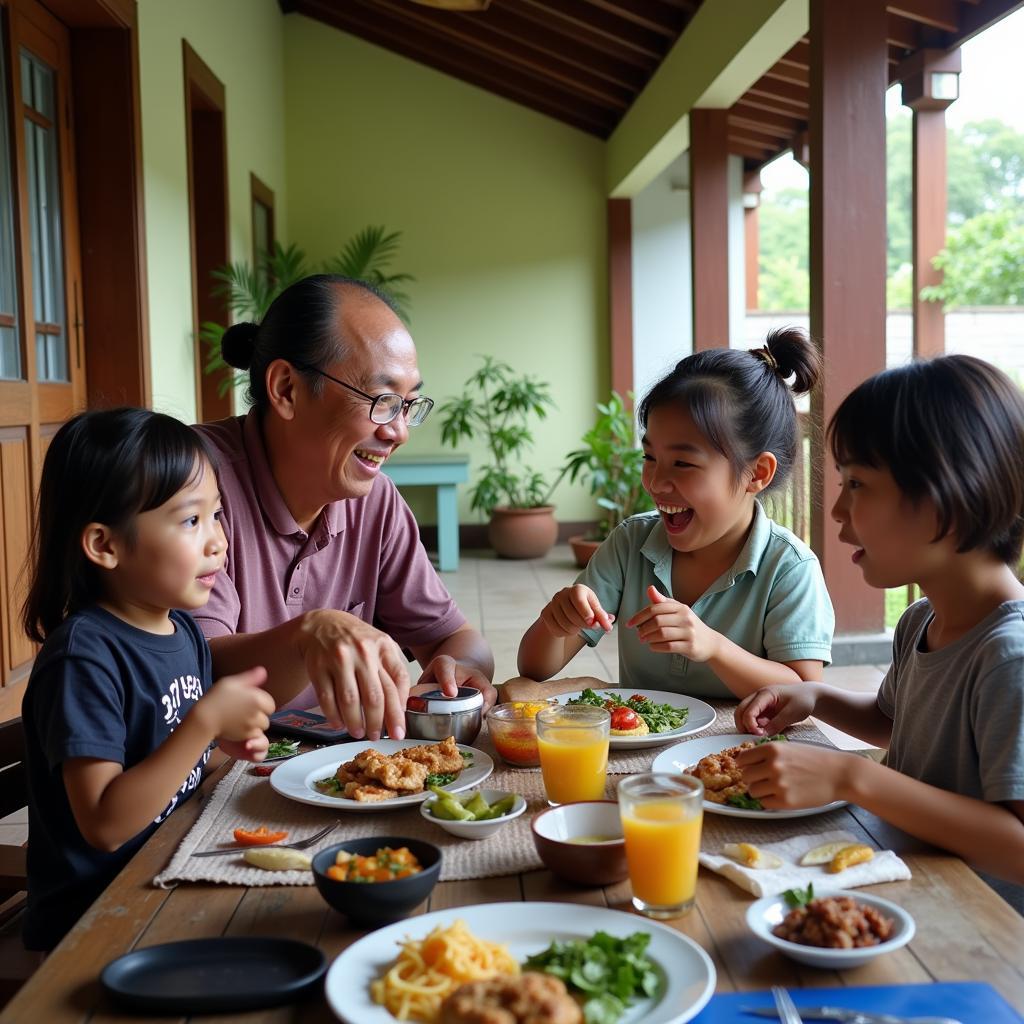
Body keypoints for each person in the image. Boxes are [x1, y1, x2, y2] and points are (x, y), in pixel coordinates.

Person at [734, 355, 1024, 909]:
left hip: (986, 933)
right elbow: (895, 724)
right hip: (909, 888)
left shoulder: (1010, 655)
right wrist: (816, 696)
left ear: (948, 494)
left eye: (858, 484)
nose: (839, 509)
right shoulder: (923, 619)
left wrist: (852, 777)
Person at [196, 275, 495, 742]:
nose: (399, 432)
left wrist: (460, 670)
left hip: (329, 774)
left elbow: (455, 639)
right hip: (211, 777)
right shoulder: (191, 487)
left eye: (409, 404)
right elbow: (192, 672)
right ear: (287, 389)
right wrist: (309, 635)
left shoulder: (374, 500)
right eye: (381, 400)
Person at [20, 409, 275, 951]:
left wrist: (225, 744)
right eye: (190, 521)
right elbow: (106, 824)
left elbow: (176, 765)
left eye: (218, 515)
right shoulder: (83, 658)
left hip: (165, 868)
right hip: (95, 919)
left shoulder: (180, 630)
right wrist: (204, 721)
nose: (217, 542)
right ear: (105, 545)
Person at [518, 328, 834, 699]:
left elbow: (805, 692)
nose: (655, 481)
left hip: (740, 752)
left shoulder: (789, 567)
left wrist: (713, 647)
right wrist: (556, 623)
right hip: (639, 753)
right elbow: (534, 667)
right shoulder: (630, 543)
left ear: (757, 474)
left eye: (682, 463)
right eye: (649, 457)